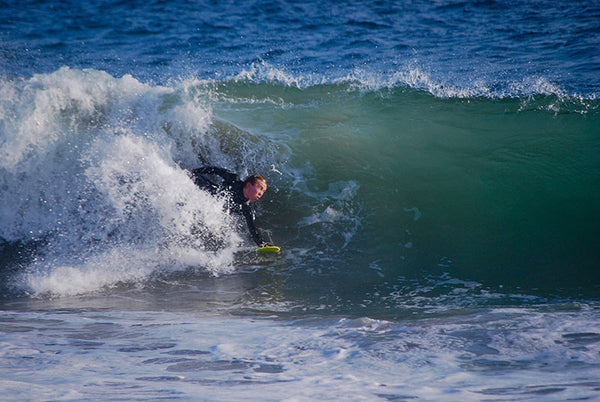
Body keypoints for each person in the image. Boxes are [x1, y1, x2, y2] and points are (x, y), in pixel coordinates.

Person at [188, 166, 271, 247]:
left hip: (209, 206)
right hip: (208, 189)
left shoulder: (246, 209)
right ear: (249, 185)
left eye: (263, 191)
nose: (261, 194)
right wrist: (195, 171)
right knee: (195, 178)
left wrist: (261, 243)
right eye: (260, 188)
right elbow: (216, 170)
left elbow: (253, 228)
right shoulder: (234, 180)